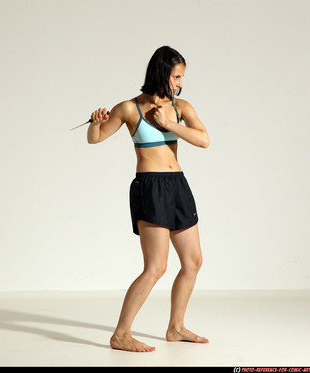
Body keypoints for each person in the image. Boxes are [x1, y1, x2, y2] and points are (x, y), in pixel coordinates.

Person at [87, 46, 209, 352]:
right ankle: (121, 334)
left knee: (193, 262)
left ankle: (176, 327)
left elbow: (204, 140)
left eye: (182, 77)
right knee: (156, 267)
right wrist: (94, 121)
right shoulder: (130, 108)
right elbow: (96, 138)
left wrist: (168, 123)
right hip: (150, 186)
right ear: (161, 73)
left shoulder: (181, 108)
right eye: (176, 76)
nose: (180, 82)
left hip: (178, 185)